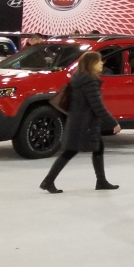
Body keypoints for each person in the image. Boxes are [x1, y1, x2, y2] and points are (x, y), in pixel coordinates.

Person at [40, 51, 120, 193]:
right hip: (85, 124)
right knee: (70, 152)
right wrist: (113, 122)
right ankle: (48, 181)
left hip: (78, 121)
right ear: (91, 64)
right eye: (99, 61)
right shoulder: (89, 81)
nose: (102, 63)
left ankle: (101, 180)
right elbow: (97, 105)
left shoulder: (79, 77)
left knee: (97, 147)